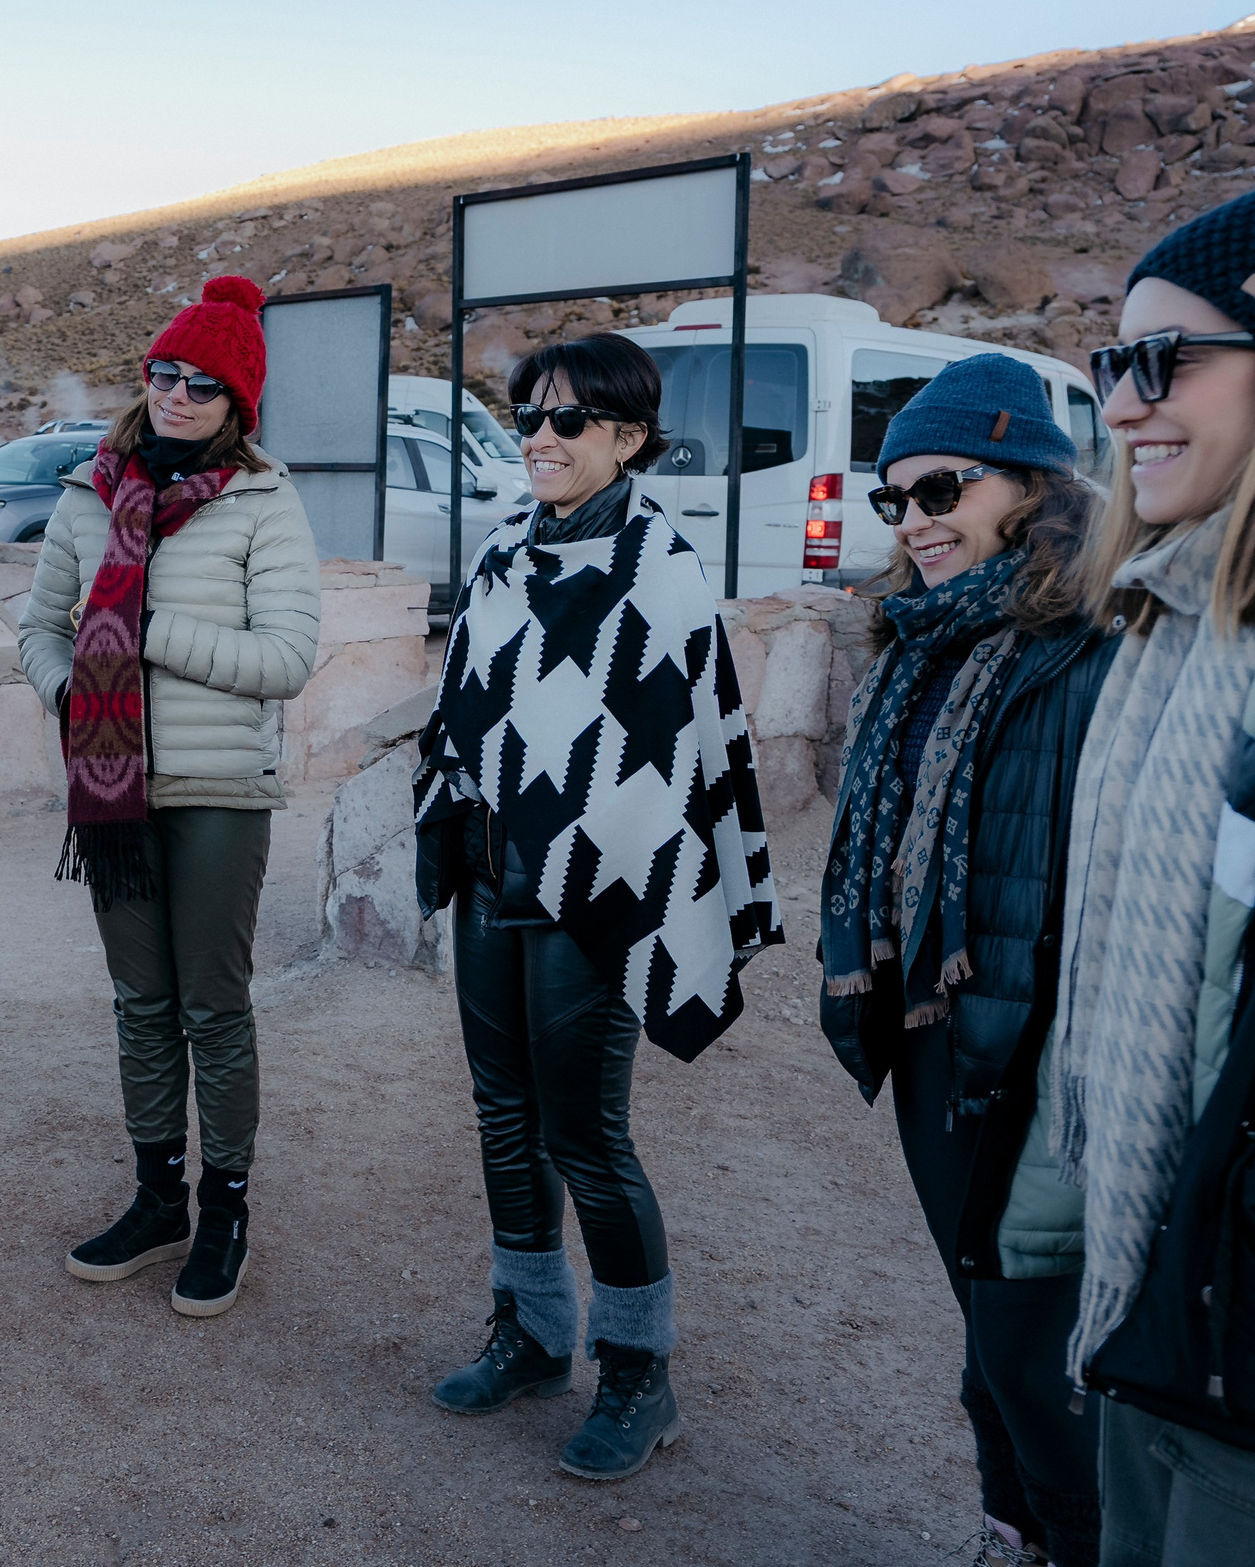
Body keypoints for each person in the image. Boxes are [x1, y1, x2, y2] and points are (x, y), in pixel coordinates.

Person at [1053, 157, 1255, 1565]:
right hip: (1153, 1297)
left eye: (1163, 359)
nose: (1122, 402)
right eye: (1111, 360)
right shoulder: (1176, 612)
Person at [413, 332, 779, 1481]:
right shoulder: (503, 548)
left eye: (567, 421)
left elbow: (679, 752)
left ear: (627, 436)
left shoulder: (658, 567)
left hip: (596, 896)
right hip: (491, 877)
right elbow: (470, 705)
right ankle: (529, 1332)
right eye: (528, 415)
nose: (539, 439)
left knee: (588, 1138)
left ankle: (637, 1373)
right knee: (502, 1119)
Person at [818, 354, 1111, 1566]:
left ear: (1026, 485)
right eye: (895, 501)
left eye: (941, 489)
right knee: (988, 1346)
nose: (915, 523)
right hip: (938, 1040)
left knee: (1034, 1362)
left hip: (1042, 1059)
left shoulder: (1089, 644)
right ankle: (1012, 1534)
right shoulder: (914, 645)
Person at [19, 276, 320, 1318]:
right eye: (162, 374)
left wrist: (137, 637)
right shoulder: (84, 494)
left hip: (217, 790)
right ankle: (158, 1200)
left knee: (210, 1005)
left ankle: (225, 1205)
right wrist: (75, 690)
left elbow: (285, 658)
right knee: (141, 1004)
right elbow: (41, 628)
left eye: (202, 384)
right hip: (113, 788)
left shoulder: (261, 502)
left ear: (239, 404)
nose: (176, 396)